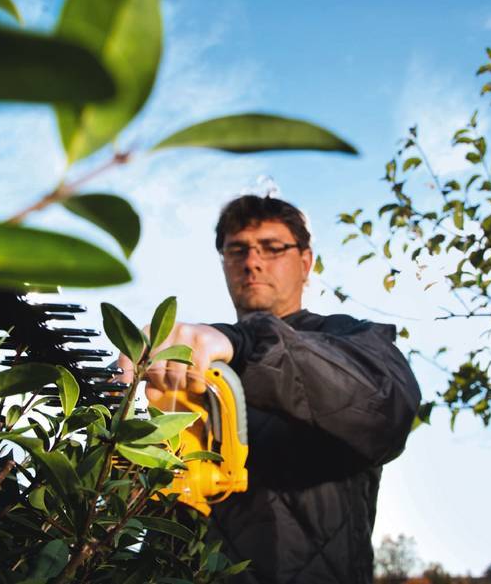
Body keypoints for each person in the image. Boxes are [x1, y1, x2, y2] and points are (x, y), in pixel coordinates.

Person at [118, 195, 421, 584]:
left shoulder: (350, 338)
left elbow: (385, 406)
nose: (253, 261)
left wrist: (245, 346)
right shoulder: (196, 357)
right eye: (237, 249)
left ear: (306, 262)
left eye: (273, 248)